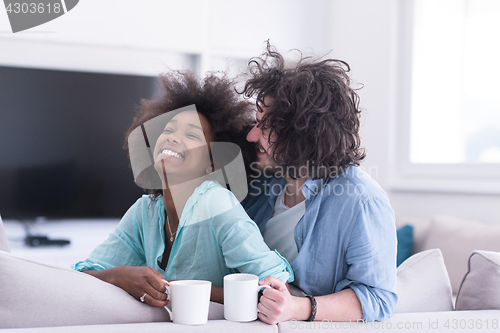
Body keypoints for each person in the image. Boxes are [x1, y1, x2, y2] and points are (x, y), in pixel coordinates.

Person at [72, 70, 293, 307]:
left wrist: (180, 289)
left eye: (191, 134)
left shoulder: (216, 203)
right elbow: (81, 277)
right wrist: (119, 276)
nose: (173, 138)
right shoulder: (144, 211)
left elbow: (274, 286)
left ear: (212, 163)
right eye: (168, 130)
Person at [239, 43, 398, 324]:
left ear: (302, 132)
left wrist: (297, 308)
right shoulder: (261, 184)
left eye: (265, 126)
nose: (252, 136)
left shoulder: (361, 200)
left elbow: (378, 297)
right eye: (256, 122)